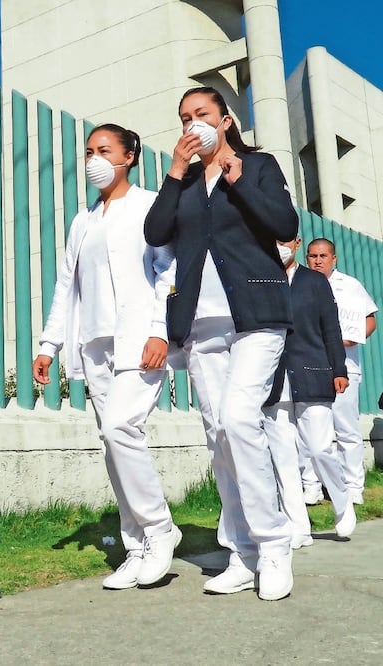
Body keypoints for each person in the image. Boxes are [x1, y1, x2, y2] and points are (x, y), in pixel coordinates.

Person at [144, 86, 299, 601]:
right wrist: (173, 173)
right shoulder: (184, 181)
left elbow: (284, 224)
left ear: (226, 120)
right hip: (202, 323)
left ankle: (274, 545)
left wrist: (236, 177)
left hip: (257, 314)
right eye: (185, 117)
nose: (193, 123)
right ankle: (242, 552)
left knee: (238, 420)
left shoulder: (257, 165)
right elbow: (156, 231)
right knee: (219, 436)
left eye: (202, 114)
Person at [33, 123, 181, 591]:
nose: (94, 159)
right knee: (112, 442)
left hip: (140, 339)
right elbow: (65, 286)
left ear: (129, 155)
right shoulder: (82, 221)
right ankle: (134, 546)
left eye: (104, 150)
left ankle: (159, 530)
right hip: (95, 345)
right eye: (89, 151)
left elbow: (168, 271)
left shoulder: (150, 205)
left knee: (121, 427)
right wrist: (48, 344)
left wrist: (161, 330)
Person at [262, 236, 354, 550]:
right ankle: (297, 527)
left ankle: (342, 500)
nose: (279, 245)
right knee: (284, 460)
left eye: (284, 240)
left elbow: (331, 327)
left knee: (318, 448)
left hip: (312, 374)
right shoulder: (262, 277)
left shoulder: (314, 281)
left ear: (296, 243)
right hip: (274, 381)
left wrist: (338, 369)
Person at [305, 238, 378, 505]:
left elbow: (370, 319)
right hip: (311, 365)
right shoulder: (300, 284)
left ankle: (353, 485)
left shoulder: (350, 286)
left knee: (346, 428)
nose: (318, 260)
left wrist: (353, 338)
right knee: (310, 428)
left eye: (323, 255)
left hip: (346, 366)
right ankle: (311, 484)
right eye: (313, 256)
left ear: (333, 258)